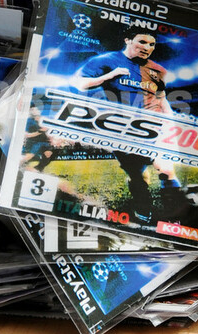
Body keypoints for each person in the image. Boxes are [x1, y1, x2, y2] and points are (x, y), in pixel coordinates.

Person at [73, 24, 182, 224]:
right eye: (142, 42)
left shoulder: (158, 70)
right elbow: (80, 83)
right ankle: (143, 208)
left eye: (152, 44)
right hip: (122, 130)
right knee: (138, 176)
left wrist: (171, 123)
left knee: (165, 170)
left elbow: (162, 99)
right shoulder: (106, 61)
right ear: (128, 40)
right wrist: (109, 76)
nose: (147, 47)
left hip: (154, 127)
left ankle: (174, 217)